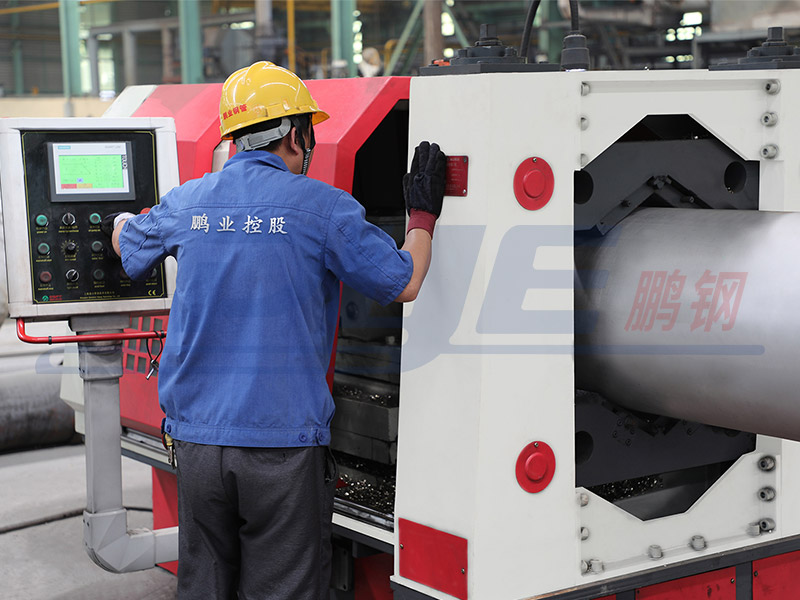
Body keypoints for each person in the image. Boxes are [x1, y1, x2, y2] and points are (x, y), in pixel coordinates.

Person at [102, 61, 445, 600]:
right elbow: (404, 281)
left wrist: (119, 221)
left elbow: (127, 243)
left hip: (197, 443)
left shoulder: (188, 202)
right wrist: (422, 215)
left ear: (234, 138)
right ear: (295, 134)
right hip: (282, 451)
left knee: (204, 587)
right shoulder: (323, 207)